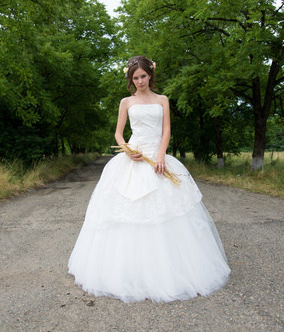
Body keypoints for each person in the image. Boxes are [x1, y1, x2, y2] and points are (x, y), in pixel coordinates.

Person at [68, 56, 230, 303]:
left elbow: (166, 130)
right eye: (135, 78)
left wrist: (161, 155)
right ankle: (128, 271)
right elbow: (118, 133)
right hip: (134, 155)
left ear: (150, 75)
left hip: (157, 156)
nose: (140, 81)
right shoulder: (126, 102)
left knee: (167, 209)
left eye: (143, 76)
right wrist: (127, 149)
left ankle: (171, 269)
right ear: (130, 80)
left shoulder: (162, 100)